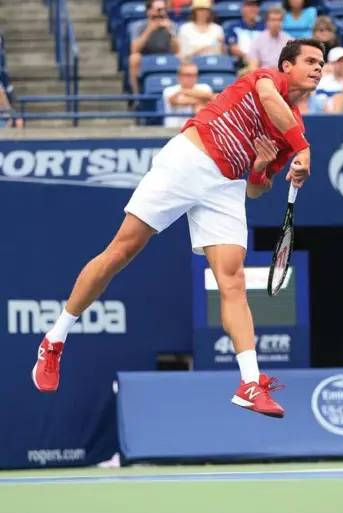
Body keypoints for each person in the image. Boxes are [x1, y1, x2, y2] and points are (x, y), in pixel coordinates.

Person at [32, 38, 325, 419]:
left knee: (232, 279)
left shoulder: (295, 128)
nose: (319, 68)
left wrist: (260, 166)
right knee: (121, 251)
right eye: (311, 60)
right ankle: (55, 339)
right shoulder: (265, 79)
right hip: (190, 159)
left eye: (322, 62)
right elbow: (271, 103)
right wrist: (303, 149)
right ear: (287, 66)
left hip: (228, 184)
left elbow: (256, 188)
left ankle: (250, 383)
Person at [128, 0, 179, 99]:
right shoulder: (138, 26)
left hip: (167, 55)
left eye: (163, 10)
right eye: (158, 10)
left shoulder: (171, 25)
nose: (161, 13)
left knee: (181, 57)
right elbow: (134, 49)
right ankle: (136, 96)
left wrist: (170, 32)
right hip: (146, 56)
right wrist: (149, 30)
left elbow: (177, 50)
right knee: (134, 58)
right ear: (149, 11)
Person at [162, 61, 214, 128]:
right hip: (175, 131)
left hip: (197, 130)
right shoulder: (169, 90)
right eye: (188, 75)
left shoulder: (205, 87)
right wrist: (203, 99)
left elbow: (211, 97)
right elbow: (177, 101)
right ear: (179, 76)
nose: (192, 78)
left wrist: (183, 91)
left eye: (195, 75)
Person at [247, 6, 291, 71]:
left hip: (282, 74)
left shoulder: (289, 40)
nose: (276, 23)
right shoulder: (258, 40)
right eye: (273, 20)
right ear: (267, 22)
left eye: (279, 20)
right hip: (263, 75)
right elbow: (253, 66)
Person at [225, 0, 264, 71]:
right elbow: (234, 49)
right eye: (249, 5)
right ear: (243, 8)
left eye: (255, 6)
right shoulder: (234, 27)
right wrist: (250, 58)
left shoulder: (264, 28)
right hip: (241, 64)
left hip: (262, 64)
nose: (253, 9)